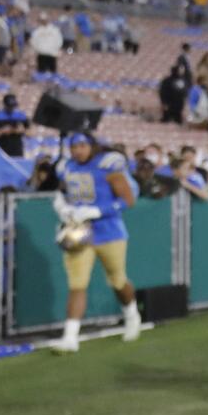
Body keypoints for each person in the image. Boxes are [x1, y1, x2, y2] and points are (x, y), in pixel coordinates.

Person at [48, 131, 143, 352]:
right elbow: (63, 192)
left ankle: (131, 315)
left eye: (82, 146)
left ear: (91, 146)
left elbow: (128, 200)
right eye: (74, 147)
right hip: (80, 234)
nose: (77, 151)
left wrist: (97, 211)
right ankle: (70, 337)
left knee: (118, 281)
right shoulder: (67, 166)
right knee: (77, 284)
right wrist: (62, 205)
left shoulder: (108, 165)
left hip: (110, 232)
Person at [0, 93, 30, 157]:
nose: (11, 108)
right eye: (9, 106)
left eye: (13, 106)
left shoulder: (22, 116)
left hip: (17, 151)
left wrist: (22, 130)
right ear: (4, 104)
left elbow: (30, 133)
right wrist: (2, 131)